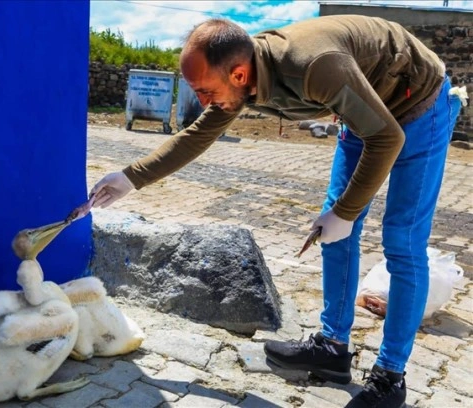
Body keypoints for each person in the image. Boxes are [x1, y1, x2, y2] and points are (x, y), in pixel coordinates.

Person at [89, 15, 464, 408]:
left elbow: (387, 137)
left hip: (418, 103)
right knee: (332, 231)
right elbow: (199, 133)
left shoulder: (317, 65)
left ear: (237, 74)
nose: (202, 102)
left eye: (203, 90)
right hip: (362, 107)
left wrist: (348, 211)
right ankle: (333, 347)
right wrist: (131, 178)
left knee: (402, 240)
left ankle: (390, 377)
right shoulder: (241, 76)